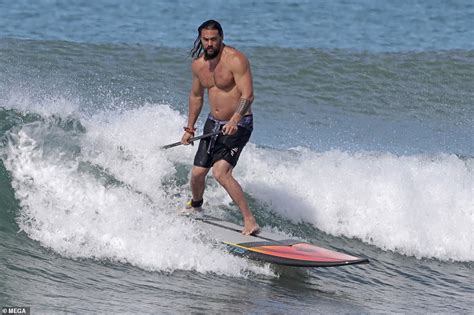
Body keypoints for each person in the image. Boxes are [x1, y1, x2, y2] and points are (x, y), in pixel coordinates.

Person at [180, 19, 260, 235]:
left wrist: (235, 119)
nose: (209, 44)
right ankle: (196, 207)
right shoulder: (198, 65)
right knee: (197, 173)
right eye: (205, 40)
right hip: (213, 123)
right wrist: (189, 128)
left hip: (239, 124)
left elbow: (248, 94)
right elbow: (196, 96)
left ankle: (249, 220)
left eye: (213, 39)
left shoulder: (236, 59)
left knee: (220, 173)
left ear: (221, 38)